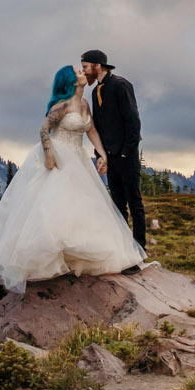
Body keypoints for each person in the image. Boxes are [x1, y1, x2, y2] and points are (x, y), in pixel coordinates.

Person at [0, 64, 146, 294]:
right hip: (59, 155)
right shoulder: (62, 105)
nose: (82, 73)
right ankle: (48, 257)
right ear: (70, 81)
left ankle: (77, 256)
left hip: (78, 157)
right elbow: (44, 130)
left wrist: (102, 155)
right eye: (78, 72)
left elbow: (91, 132)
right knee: (54, 205)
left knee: (81, 206)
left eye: (83, 69)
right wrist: (49, 154)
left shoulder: (85, 104)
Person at [81, 49, 147, 248]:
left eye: (85, 67)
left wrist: (126, 152)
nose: (84, 72)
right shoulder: (95, 92)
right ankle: (123, 249)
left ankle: (139, 249)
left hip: (126, 156)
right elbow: (98, 127)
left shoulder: (121, 86)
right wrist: (100, 155)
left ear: (98, 66)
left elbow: (133, 122)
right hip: (110, 156)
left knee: (134, 203)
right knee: (117, 205)